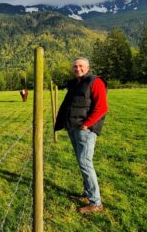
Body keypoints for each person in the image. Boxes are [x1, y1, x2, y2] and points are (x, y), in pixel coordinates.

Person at [55, 57, 108, 214]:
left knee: (85, 163)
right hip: (73, 128)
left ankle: (96, 203)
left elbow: (102, 107)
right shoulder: (76, 83)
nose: (77, 68)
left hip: (85, 130)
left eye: (81, 66)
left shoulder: (95, 82)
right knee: (81, 161)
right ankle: (88, 192)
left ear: (88, 67)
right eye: (75, 66)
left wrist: (87, 124)